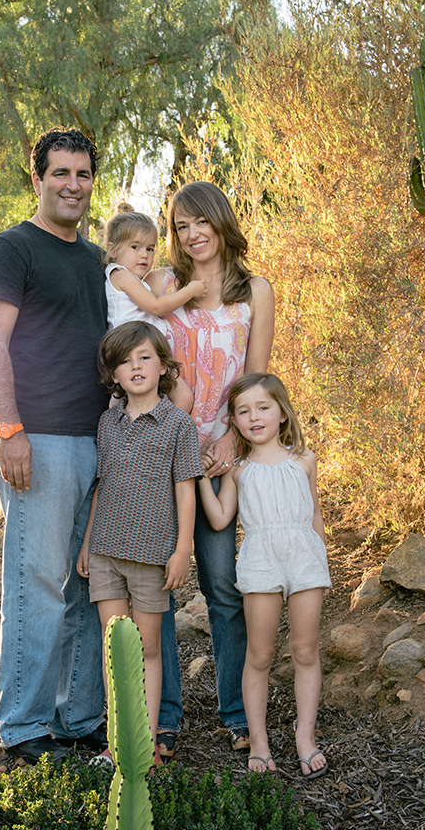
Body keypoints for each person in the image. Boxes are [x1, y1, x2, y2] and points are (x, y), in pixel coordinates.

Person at [0, 127, 109, 764]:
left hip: (97, 443)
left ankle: (77, 718)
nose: (72, 185)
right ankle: (23, 727)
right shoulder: (13, 249)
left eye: (82, 175)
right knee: (36, 587)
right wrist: (10, 430)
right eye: (61, 174)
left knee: (85, 588)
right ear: (38, 179)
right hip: (39, 442)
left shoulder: (91, 259)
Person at [145, 181, 275, 758]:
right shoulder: (165, 286)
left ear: (222, 223)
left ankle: (234, 711)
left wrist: (229, 435)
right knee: (159, 589)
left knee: (223, 583)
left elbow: (256, 381)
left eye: (202, 222)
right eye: (180, 226)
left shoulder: (255, 292)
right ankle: (165, 715)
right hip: (160, 457)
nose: (192, 235)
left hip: (220, 457)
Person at [76, 321, 202, 755]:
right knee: (116, 651)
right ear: (113, 375)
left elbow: (186, 489)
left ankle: (143, 746)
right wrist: (89, 543)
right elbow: (101, 485)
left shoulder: (177, 425)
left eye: (144, 357)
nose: (135, 367)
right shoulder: (107, 423)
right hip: (107, 553)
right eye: (124, 362)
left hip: (151, 554)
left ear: (163, 366)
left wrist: (183, 548)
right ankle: (118, 743)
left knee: (148, 650)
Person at [197, 373, 331, 777]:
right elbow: (220, 519)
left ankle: (305, 737)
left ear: (282, 414)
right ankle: (259, 742)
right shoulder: (238, 471)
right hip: (260, 562)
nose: (254, 417)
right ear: (233, 422)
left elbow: (315, 515)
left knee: (305, 651)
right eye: (243, 411)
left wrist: (321, 562)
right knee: (259, 655)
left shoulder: (304, 461)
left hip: (304, 560)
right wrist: (203, 478)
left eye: (263, 407)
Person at [102, 209, 204, 412]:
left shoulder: (130, 278)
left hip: (142, 351)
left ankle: (157, 434)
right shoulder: (120, 274)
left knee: (171, 399)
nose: (144, 255)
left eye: (150, 249)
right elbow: (156, 306)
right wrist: (190, 291)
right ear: (112, 250)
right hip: (134, 352)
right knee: (182, 397)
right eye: (135, 247)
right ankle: (164, 437)